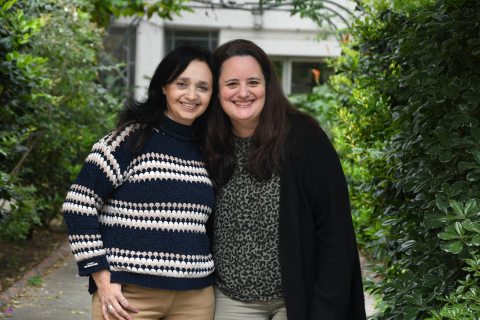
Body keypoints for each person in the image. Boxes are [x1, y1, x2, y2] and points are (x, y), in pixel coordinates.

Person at [203, 39, 366, 319]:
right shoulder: (206, 143)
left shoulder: (304, 138)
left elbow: (335, 232)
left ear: (268, 84)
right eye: (231, 84)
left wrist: (327, 308)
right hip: (231, 298)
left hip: (297, 298)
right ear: (217, 91)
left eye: (253, 82)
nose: (243, 92)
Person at [62, 46, 217, 320]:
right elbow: (78, 206)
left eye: (203, 87)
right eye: (182, 83)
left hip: (195, 297)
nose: (192, 95)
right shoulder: (130, 139)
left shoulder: (210, 148)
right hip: (128, 296)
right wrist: (100, 276)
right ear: (164, 87)